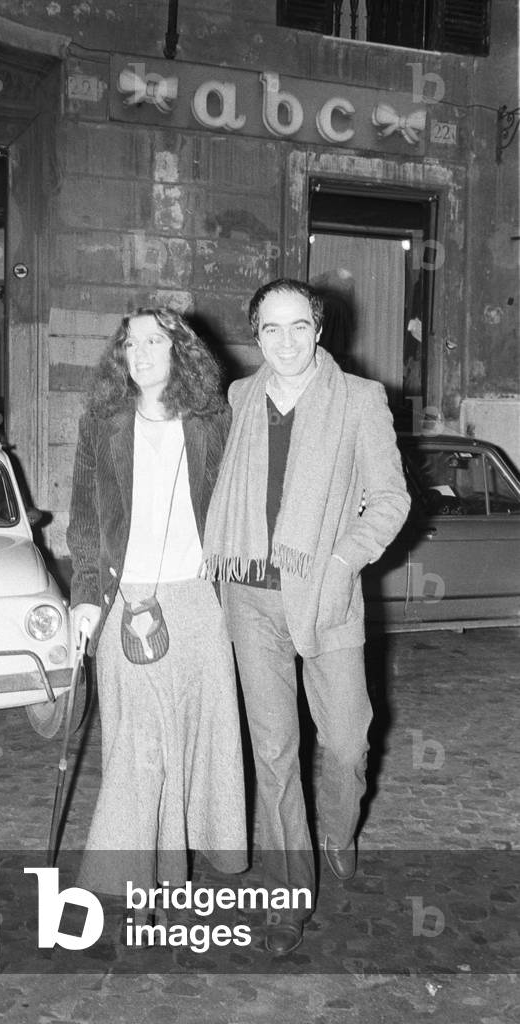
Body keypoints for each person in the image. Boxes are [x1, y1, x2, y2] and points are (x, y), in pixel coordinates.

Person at [202, 279, 410, 955]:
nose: (284, 341)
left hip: (323, 596)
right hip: (250, 597)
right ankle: (289, 890)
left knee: (347, 745)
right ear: (255, 334)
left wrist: (344, 561)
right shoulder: (239, 399)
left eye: (298, 327)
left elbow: (389, 500)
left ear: (319, 331)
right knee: (273, 752)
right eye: (269, 329)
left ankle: (338, 830)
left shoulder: (358, 400)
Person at [66, 307, 247, 900]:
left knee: (196, 741)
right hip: (128, 600)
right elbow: (86, 523)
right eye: (130, 341)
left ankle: (179, 874)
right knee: (138, 747)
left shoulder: (214, 420)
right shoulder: (102, 422)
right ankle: (123, 881)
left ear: (179, 350)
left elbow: (240, 507)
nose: (140, 351)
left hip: (198, 606)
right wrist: (86, 597)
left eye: (154, 339)